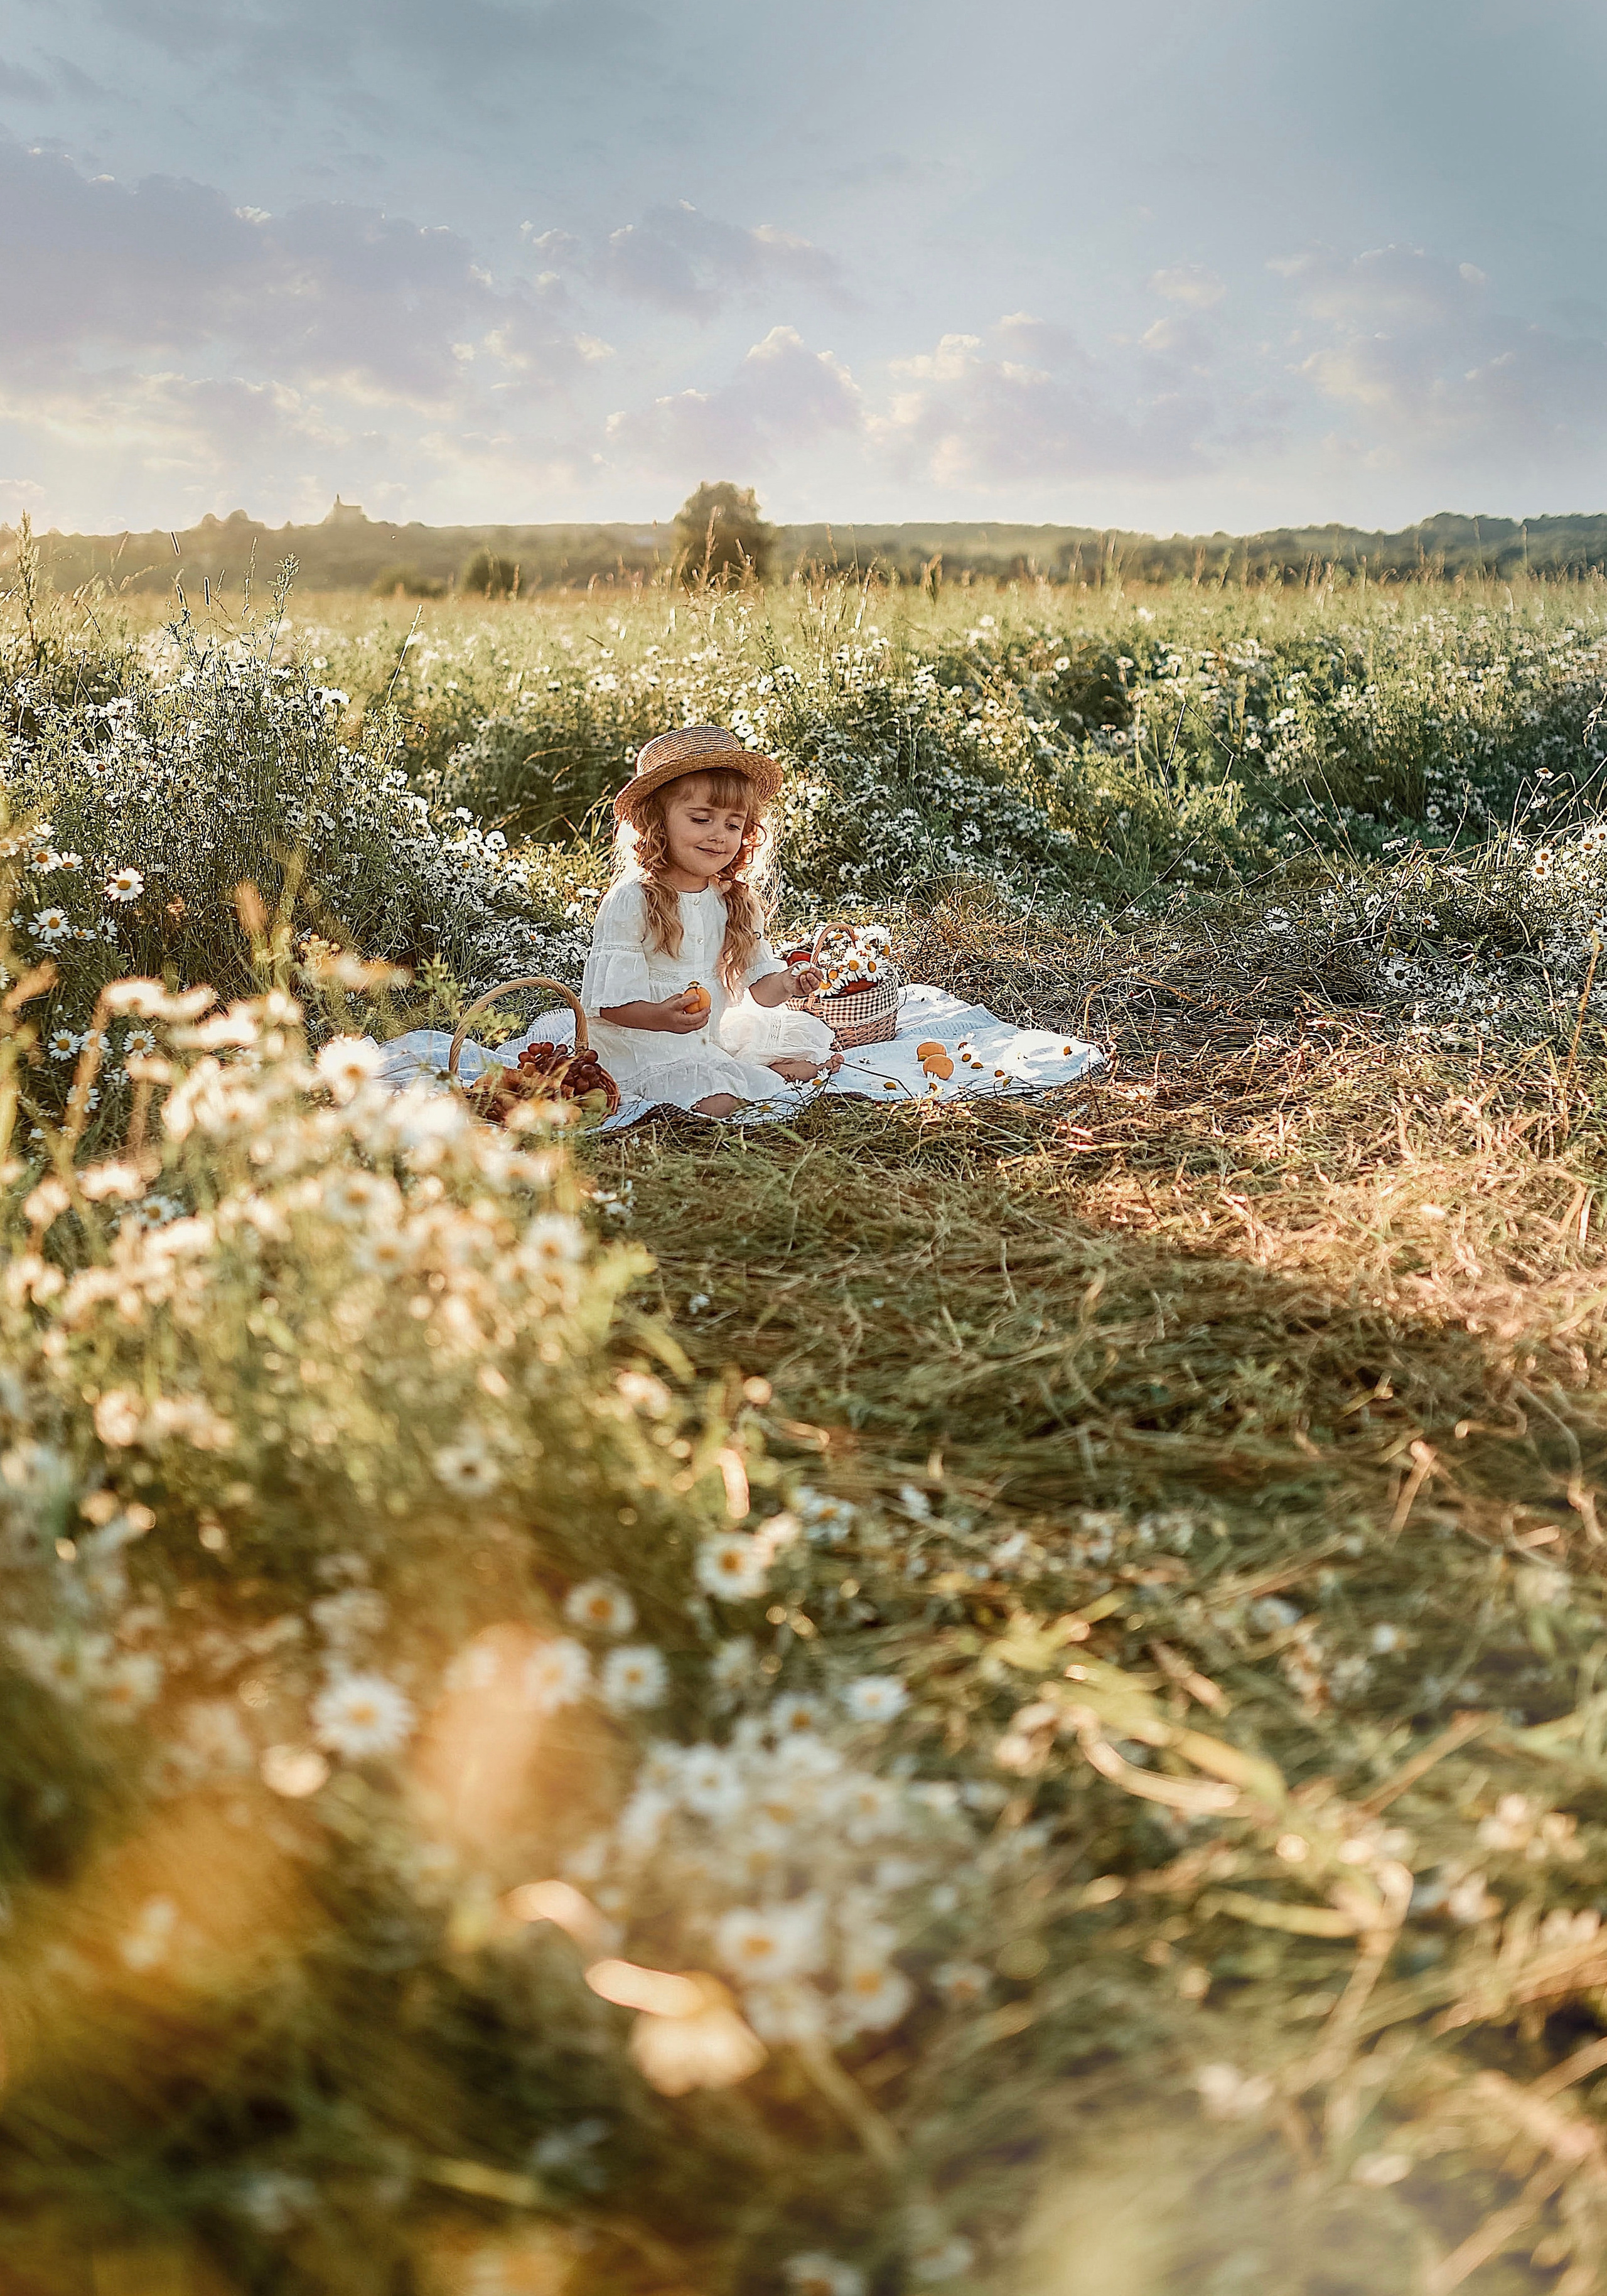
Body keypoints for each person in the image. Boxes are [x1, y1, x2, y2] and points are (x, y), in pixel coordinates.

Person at [581, 725, 842, 1118]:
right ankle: (760, 1079)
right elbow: (608, 1005)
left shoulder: (734, 899)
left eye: (733, 825)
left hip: (708, 1036)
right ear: (657, 822)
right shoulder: (634, 899)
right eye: (701, 819)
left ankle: (758, 1074)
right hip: (643, 1045)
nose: (719, 836)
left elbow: (760, 991)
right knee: (715, 1098)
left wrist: (789, 981)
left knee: (805, 1044)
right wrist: (659, 1017)